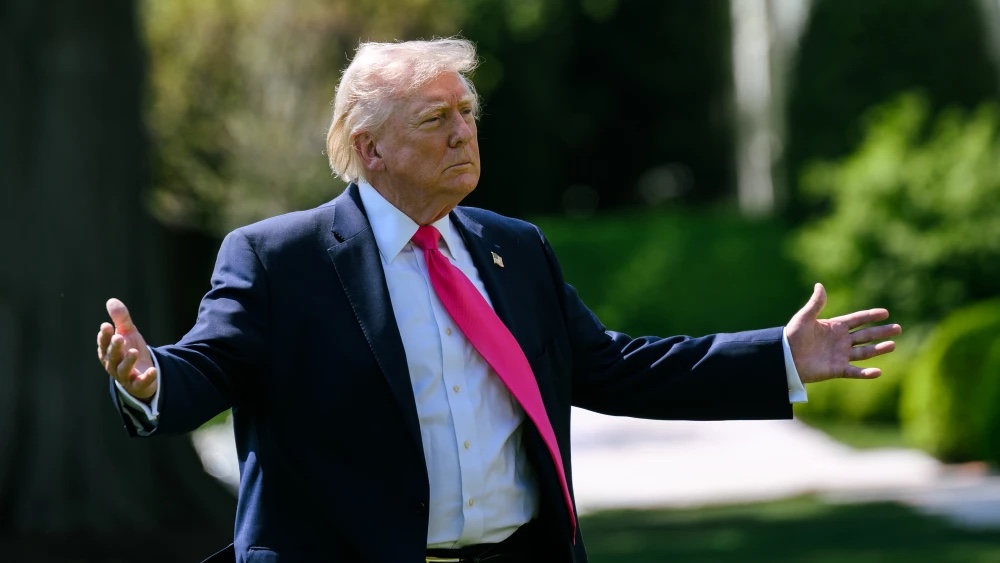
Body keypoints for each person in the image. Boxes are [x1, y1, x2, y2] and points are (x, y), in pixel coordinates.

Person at [96, 38, 902, 563]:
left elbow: (615, 367)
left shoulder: (512, 247)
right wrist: (150, 378)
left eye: (467, 112)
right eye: (435, 118)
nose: (463, 133)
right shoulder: (279, 258)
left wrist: (779, 358)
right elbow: (210, 364)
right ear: (371, 148)